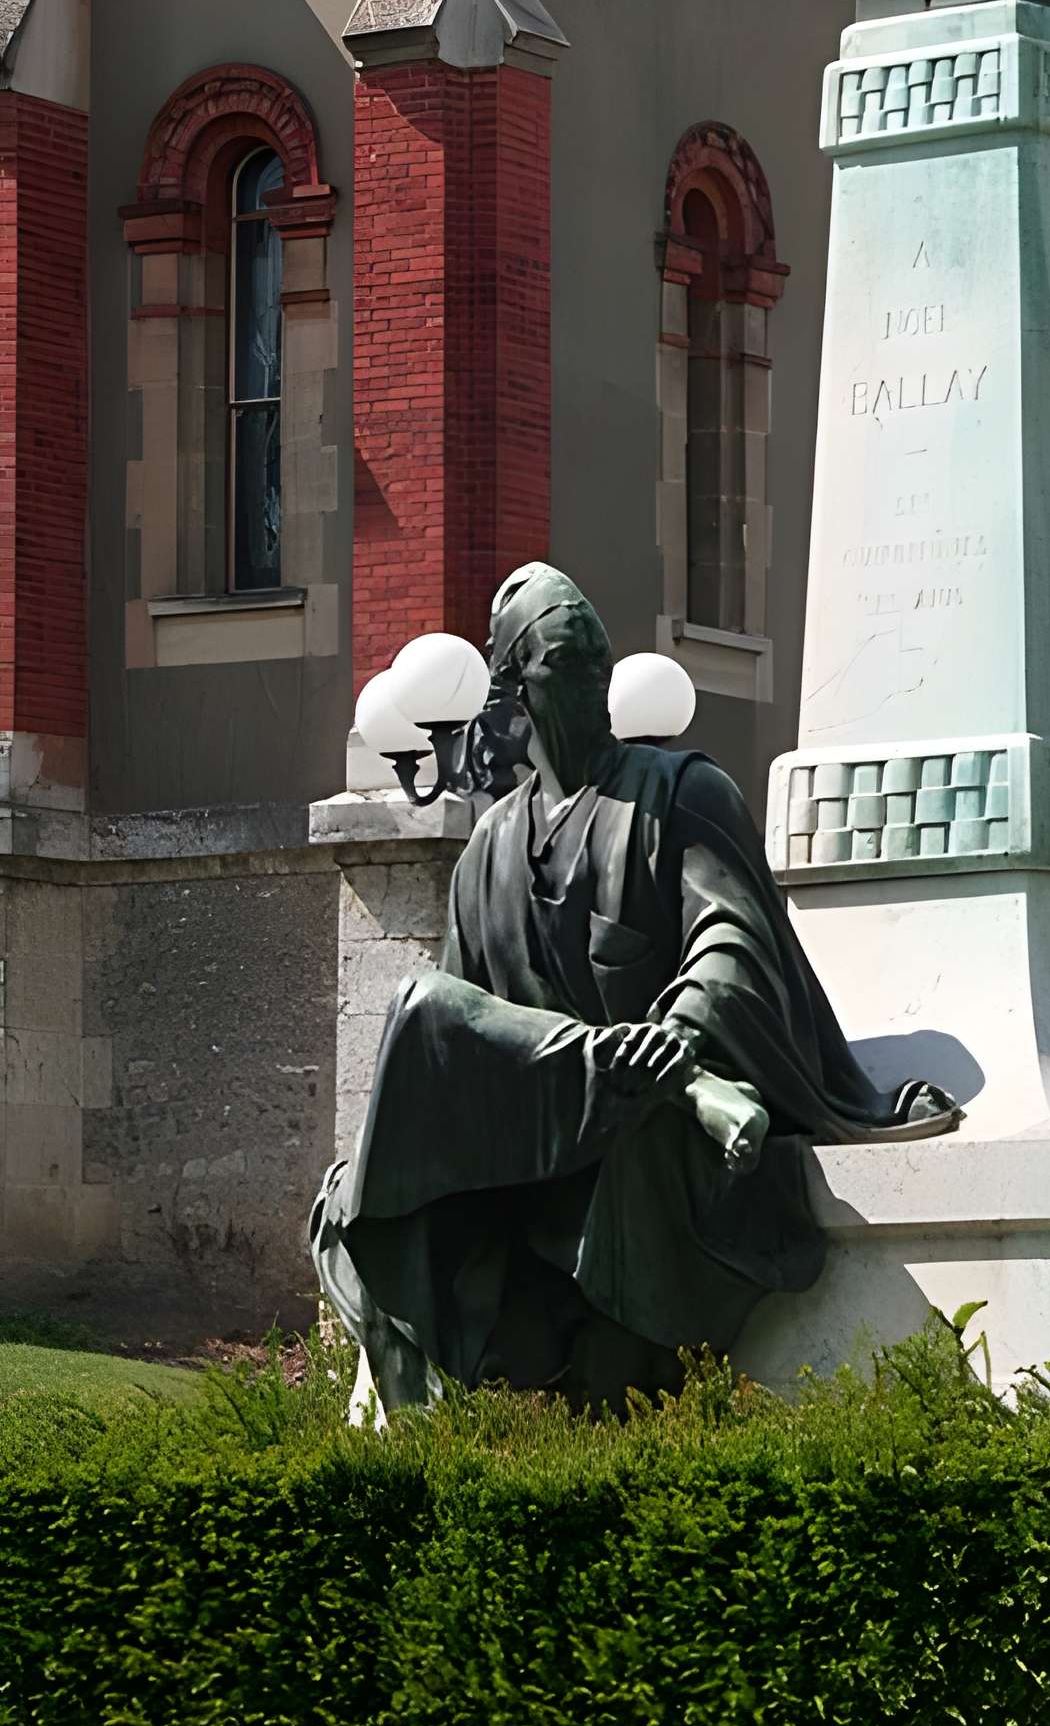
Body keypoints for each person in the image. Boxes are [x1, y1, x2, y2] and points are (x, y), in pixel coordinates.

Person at [313, 565, 957, 1414]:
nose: (589, 679)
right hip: (544, 1135)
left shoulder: (682, 794)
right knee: (411, 1041)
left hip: (662, 1124)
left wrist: (679, 1036)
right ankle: (429, 1413)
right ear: (513, 685)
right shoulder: (487, 851)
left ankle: (644, 1096)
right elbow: (467, 1038)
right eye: (563, 661)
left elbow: (733, 940)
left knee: (615, 1138)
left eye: (597, 659)